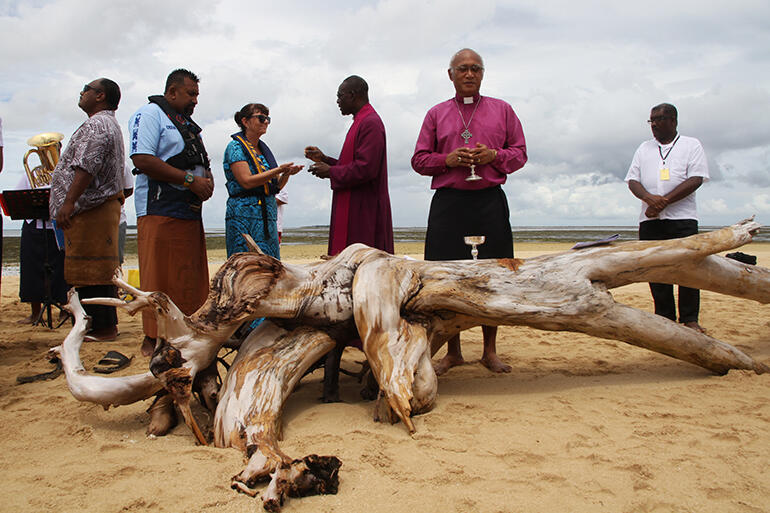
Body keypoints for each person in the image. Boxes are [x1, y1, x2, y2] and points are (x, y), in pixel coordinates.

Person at [411, 48, 527, 375]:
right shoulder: (435, 114)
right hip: (450, 201)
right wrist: (445, 160)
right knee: (446, 276)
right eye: (462, 69)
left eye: (476, 68)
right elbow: (419, 160)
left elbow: (520, 153)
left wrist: (495, 156)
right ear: (450, 74)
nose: (469, 74)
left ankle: (490, 351)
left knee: (495, 274)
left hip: (489, 200)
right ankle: (454, 351)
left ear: (483, 73)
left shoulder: (503, 110)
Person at [128, 68, 213, 436]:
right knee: (162, 305)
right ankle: (163, 398)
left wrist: (202, 187)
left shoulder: (185, 123)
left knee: (192, 301)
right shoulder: (150, 115)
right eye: (191, 94)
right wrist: (192, 180)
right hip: (161, 216)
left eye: (197, 94)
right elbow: (142, 159)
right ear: (173, 91)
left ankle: (202, 380)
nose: (196, 100)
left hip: (187, 218)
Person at [49, 78, 125, 340]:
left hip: (91, 208)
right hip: (95, 208)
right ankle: (98, 325)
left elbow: (86, 165)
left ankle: (101, 327)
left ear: (100, 96)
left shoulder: (98, 124)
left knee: (93, 270)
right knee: (94, 270)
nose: (81, 93)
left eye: (86, 89)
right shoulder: (106, 122)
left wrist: (68, 202)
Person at [625, 103, 709, 332]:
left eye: (659, 119)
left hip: (683, 219)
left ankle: (690, 318)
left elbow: (696, 179)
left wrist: (664, 202)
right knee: (656, 270)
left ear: (673, 120)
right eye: (651, 120)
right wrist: (650, 200)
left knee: (688, 270)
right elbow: (632, 180)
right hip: (650, 220)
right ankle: (664, 317)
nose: (653, 125)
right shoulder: (644, 148)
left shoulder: (691, 145)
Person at [305, 75, 394, 256]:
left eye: (340, 96)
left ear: (353, 95)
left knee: (363, 264)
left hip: (364, 209)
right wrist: (325, 159)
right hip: (355, 204)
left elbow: (367, 168)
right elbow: (352, 164)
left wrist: (330, 172)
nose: (338, 101)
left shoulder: (370, 123)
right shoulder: (360, 121)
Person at [223, 103, 301, 258]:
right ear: (245, 122)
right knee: (245, 264)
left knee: (270, 266)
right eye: (261, 118)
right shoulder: (235, 147)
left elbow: (275, 186)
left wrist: (286, 174)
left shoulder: (262, 150)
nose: (265, 122)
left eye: (267, 119)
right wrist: (278, 170)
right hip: (244, 214)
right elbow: (246, 181)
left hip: (267, 214)